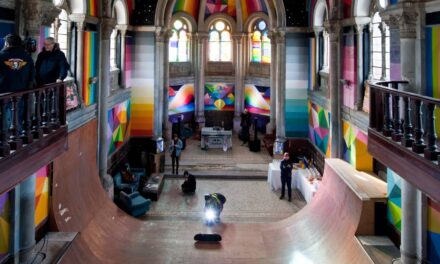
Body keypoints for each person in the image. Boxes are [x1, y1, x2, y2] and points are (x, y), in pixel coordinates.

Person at [0, 34, 35, 131]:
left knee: (4, 119)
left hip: (4, 93)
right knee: (17, 117)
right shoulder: (27, 57)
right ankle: (18, 139)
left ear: (7, 43)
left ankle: (7, 141)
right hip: (21, 92)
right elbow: (32, 74)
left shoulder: (1, 56)